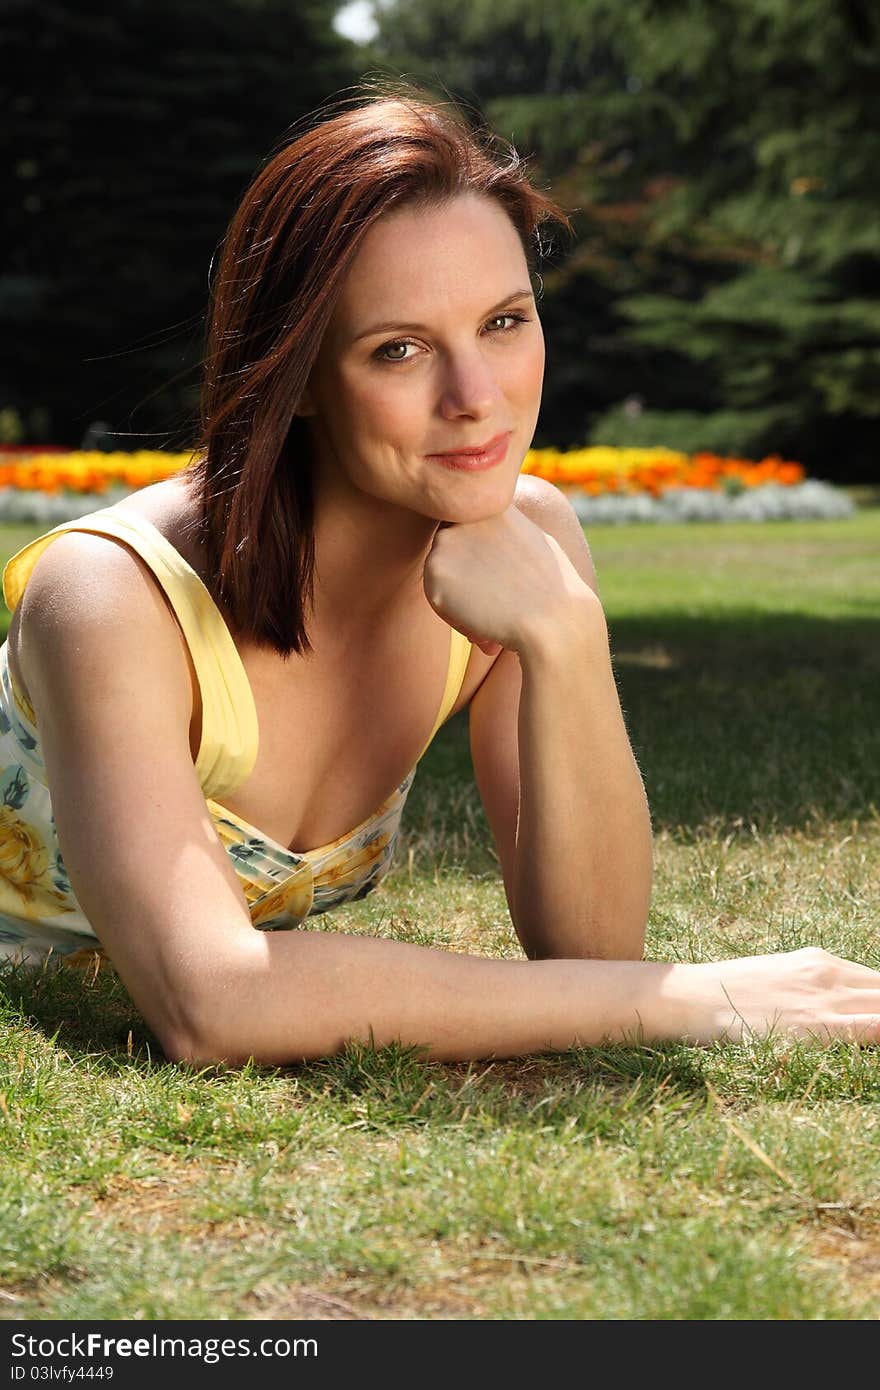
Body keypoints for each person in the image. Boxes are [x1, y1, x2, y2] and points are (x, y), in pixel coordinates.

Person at [1, 81, 878, 1065]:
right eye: (400, 349)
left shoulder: (521, 542)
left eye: (504, 322)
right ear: (295, 379)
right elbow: (213, 1000)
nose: (476, 399)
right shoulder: (112, 596)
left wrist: (564, 639)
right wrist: (692, 998)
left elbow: (588, 950)